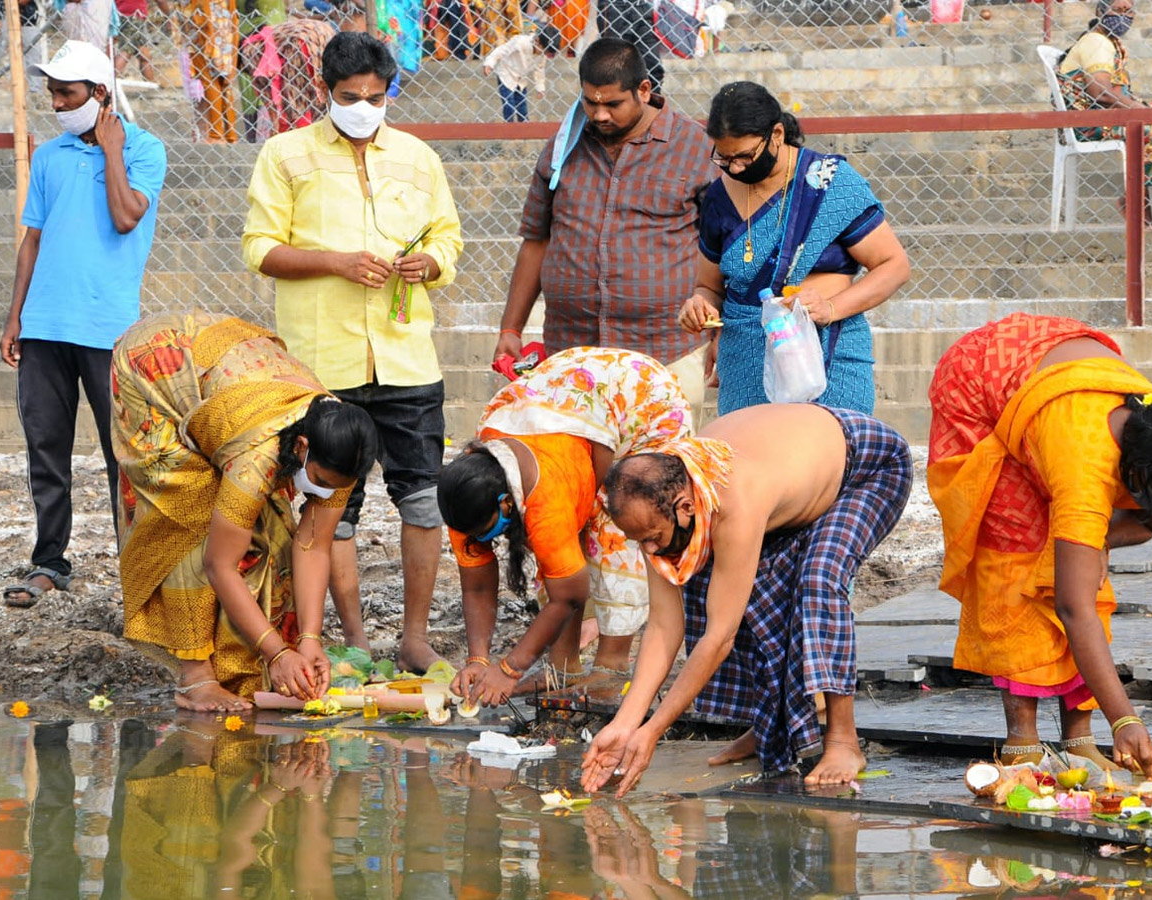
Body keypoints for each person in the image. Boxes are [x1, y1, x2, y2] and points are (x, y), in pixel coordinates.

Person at [243, 30, 463, 669]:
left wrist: (431, 263)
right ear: (325, 91)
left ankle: (414, 636)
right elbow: (261, 249)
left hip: (405, 358)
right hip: (322, 366)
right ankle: (353, 637)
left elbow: (448, 239)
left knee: (423, 499)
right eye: (350, 96)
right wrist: (335, 263)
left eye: (376, 95)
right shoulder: (285, 155)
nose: (365, 106)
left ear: (389, 90)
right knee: (330, 508)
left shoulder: (419, 157)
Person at [581, 403, 913, 793]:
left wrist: (653, 729)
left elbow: (720, 637)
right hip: (789, 474)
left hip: (867, 467)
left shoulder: (734, 498)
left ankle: (843, 740)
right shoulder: (655, 502)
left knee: (818, 579)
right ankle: (771, 726)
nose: (650, 551)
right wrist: (624, 724)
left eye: (653, 537)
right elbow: (663, 625)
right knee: (738, 592)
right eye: (641, 542)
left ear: (685, 507)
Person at [926, 313, 1152, 776]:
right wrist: (1125, 718)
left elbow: (1146, 523)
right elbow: (1074, 608)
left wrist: (1085, 547)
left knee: (1080, 563)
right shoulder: (1083, 471)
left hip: (1048, 361)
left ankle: (1078, 740)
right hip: (977, 383)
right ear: (1141, 469)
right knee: (1016, 554)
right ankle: (1022, 746)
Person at [112, 311, 379, 711]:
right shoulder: (257, 456)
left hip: (222, 365)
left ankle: (242, 661)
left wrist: (309, 639)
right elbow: (219, 564)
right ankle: (195, 678)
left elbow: (313, 545)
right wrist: (276, 653)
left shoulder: (345, 453)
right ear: (301, 447)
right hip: (154, 367)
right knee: (189, 512)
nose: (323, 493)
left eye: (333, 488)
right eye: (319, 481)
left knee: (273, 532)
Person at [0, 40, 166, 609]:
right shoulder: (49, 155)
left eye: (65, 93)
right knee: (46, 448)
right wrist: (14, 315)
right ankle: (49, 562)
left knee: (124, 454)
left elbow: (125, 218)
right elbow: (34, 239)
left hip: (109, 330)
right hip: (45, 326)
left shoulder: (146, 150)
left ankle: (138, 568)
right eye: (49, 92)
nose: (55, 103)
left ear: (100, 93)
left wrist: (113, 150)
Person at [437, 347, 695, 705]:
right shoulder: (466, 493)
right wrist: (478, 660)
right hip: (573, 404)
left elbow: (569, 593)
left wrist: (510, 669)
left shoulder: (545, 498)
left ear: (507, 503)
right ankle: (564, 668)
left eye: (486, 533)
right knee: (562, 540)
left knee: (617, 528)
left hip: (639, 400)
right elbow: (478, 588)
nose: (482, 541)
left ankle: (611, 668)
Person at [493, 37, 720, 415]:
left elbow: (723, 247)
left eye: (613, 104)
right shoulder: (563, 146)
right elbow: (536, 240)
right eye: (590, 102)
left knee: (657, 470)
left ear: (644, 91)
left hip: (665, 352)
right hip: (574, 353)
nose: (599, 115)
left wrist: (717, 333)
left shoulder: (694, 149)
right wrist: (510, 330)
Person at [678, 82, 910, 417]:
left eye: (745, 156)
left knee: (825, 460)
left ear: (775, 134)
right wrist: (700, 306)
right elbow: (709, 287)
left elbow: (894, 265)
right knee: (755, 463)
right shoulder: (718, 198)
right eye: (724, 158)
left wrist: (830, 307)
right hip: (746, 363)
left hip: (827, 356)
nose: (736, 168)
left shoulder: (828, 182)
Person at [1057, 0, 1152, 222]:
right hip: (1089, 123)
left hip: (1107, 116)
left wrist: (1141, 109)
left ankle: (1139, 200)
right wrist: (1139, 110)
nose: (1123, 15)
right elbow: (1101, 92)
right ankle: (1136, 203)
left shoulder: (1108, 42)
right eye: (1117, 10)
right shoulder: (1096, 43)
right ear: (1100, 11)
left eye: (1128, 11)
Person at [177, 0, 240, 142]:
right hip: (224, 25)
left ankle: (215, 134)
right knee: (224, 81)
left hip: (203, 31)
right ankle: (230, 135)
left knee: (210, 81)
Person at [482, 22, 558, 123]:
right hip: (506, 75)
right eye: (544, 51)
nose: (544, 55)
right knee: (509, 105)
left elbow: (539, 70)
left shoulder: (542, 56)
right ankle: (509, 126)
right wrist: (490, 63)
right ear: (537, 41)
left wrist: (540, 87)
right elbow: (502, 50)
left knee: (522, 106)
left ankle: (524, 127)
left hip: (521, 79)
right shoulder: (520, 43)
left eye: (548, 54)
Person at [596, 0, 662, 91]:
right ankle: (613, 102)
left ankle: (648, 102)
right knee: (614, 67)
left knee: (653, 68)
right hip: (615, 6)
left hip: (644, 5)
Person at [115, 0, 172, 82]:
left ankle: (150, 84)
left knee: (144, 56)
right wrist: (169, 16)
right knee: (126, 51)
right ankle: (109, 82)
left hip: (121, 15)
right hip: (135, 16)